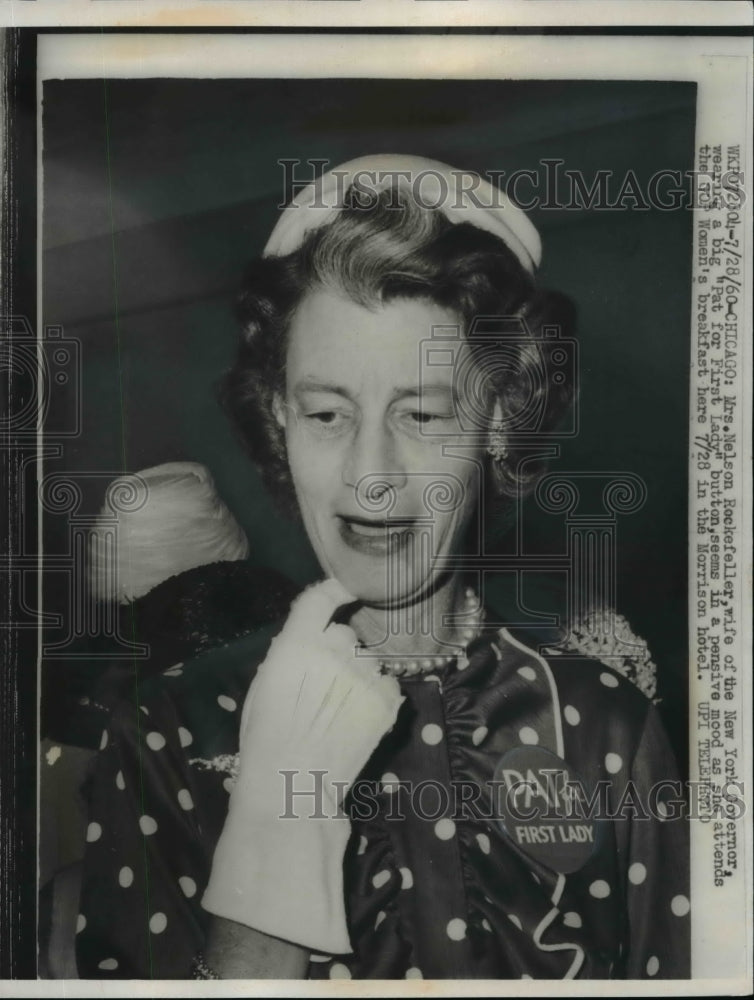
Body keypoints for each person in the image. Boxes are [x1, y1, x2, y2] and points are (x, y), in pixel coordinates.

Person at [75, 155, 689, 980]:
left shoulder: (608, 726)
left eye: (423, 414)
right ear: (277, 419)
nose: (372, 474)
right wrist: (277, 826)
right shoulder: (166, 735)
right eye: (328, 413)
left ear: (501, 423)